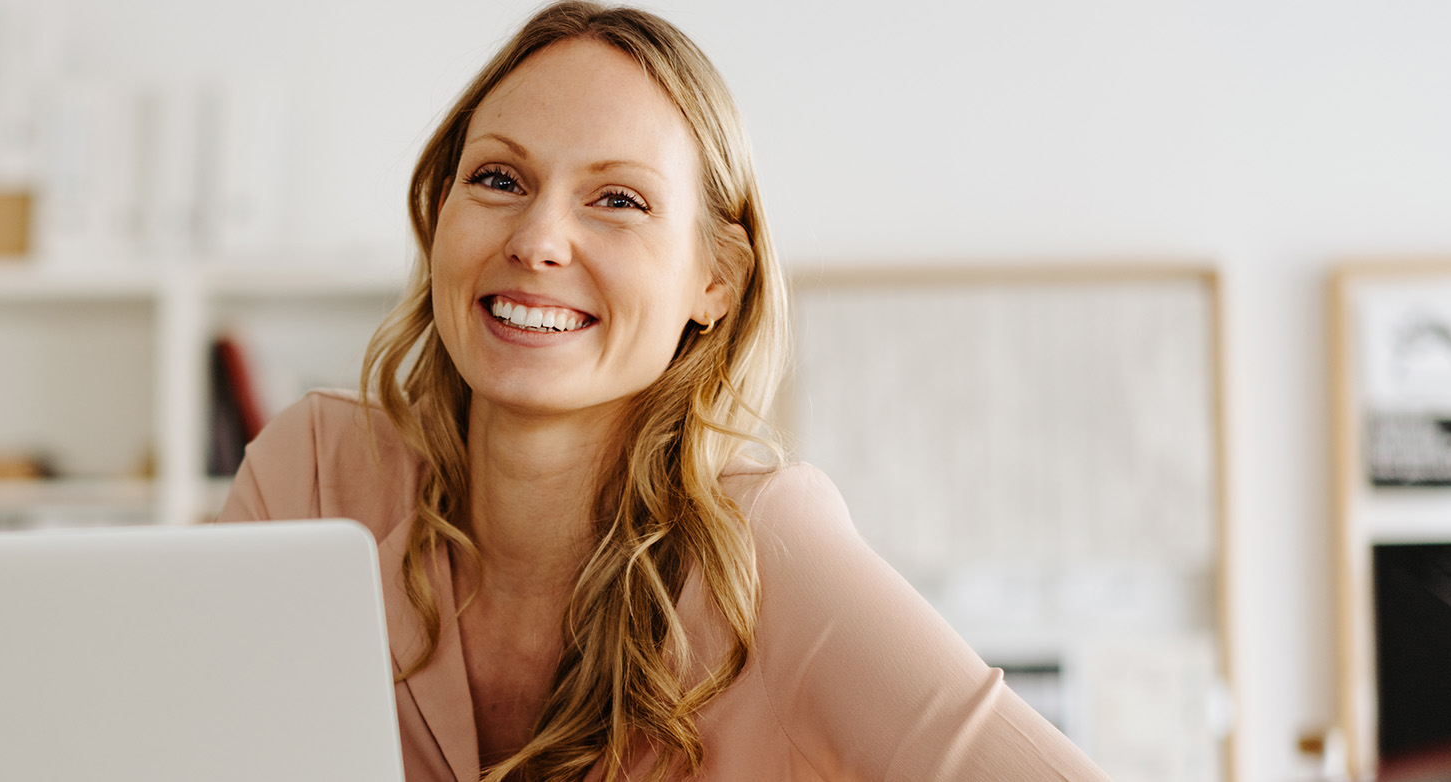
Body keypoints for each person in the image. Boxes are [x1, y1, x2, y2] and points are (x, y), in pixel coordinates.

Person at [215, 3, 1108, 780]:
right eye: (498, 179)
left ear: (714, 282)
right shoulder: (314, 477)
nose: (538, 240)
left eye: (618, 200)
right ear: (439, 211)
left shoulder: (767, 558)